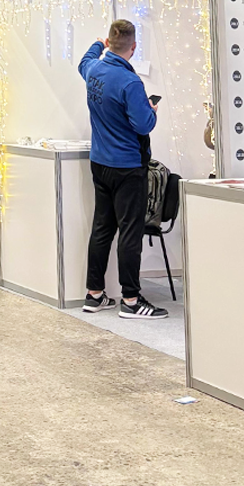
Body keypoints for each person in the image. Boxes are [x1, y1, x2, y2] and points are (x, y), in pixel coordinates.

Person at [78, 19, 168, 320]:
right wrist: (151, 111)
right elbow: (143, 125)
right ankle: (130, 300)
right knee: (130, 233)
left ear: (109, 42)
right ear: (134, 46)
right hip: (127, 167)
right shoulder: (130, 83)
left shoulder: (94, 71)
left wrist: (98, 44)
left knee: (102, 228)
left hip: (100, 163)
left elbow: (84, 61)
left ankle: (94, 294)